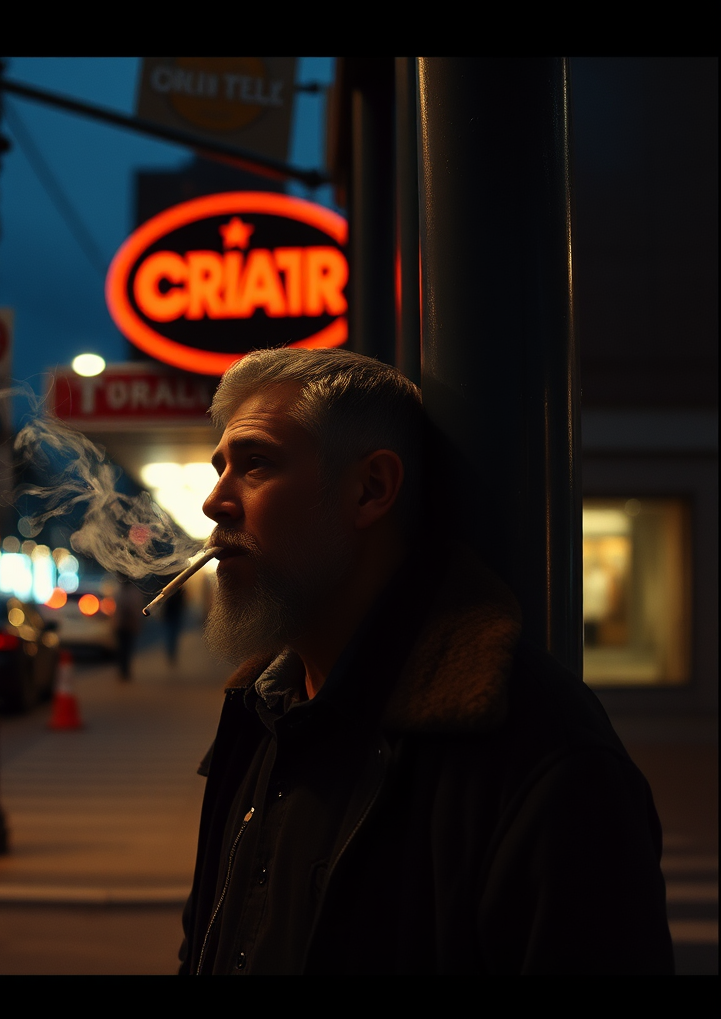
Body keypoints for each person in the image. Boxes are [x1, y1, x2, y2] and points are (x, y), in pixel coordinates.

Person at [179, 347, 673, 975]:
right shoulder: (258, 713)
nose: (215, 503)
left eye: (256, 465)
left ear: (371, 489)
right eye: (220, 468)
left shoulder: (541, 752)